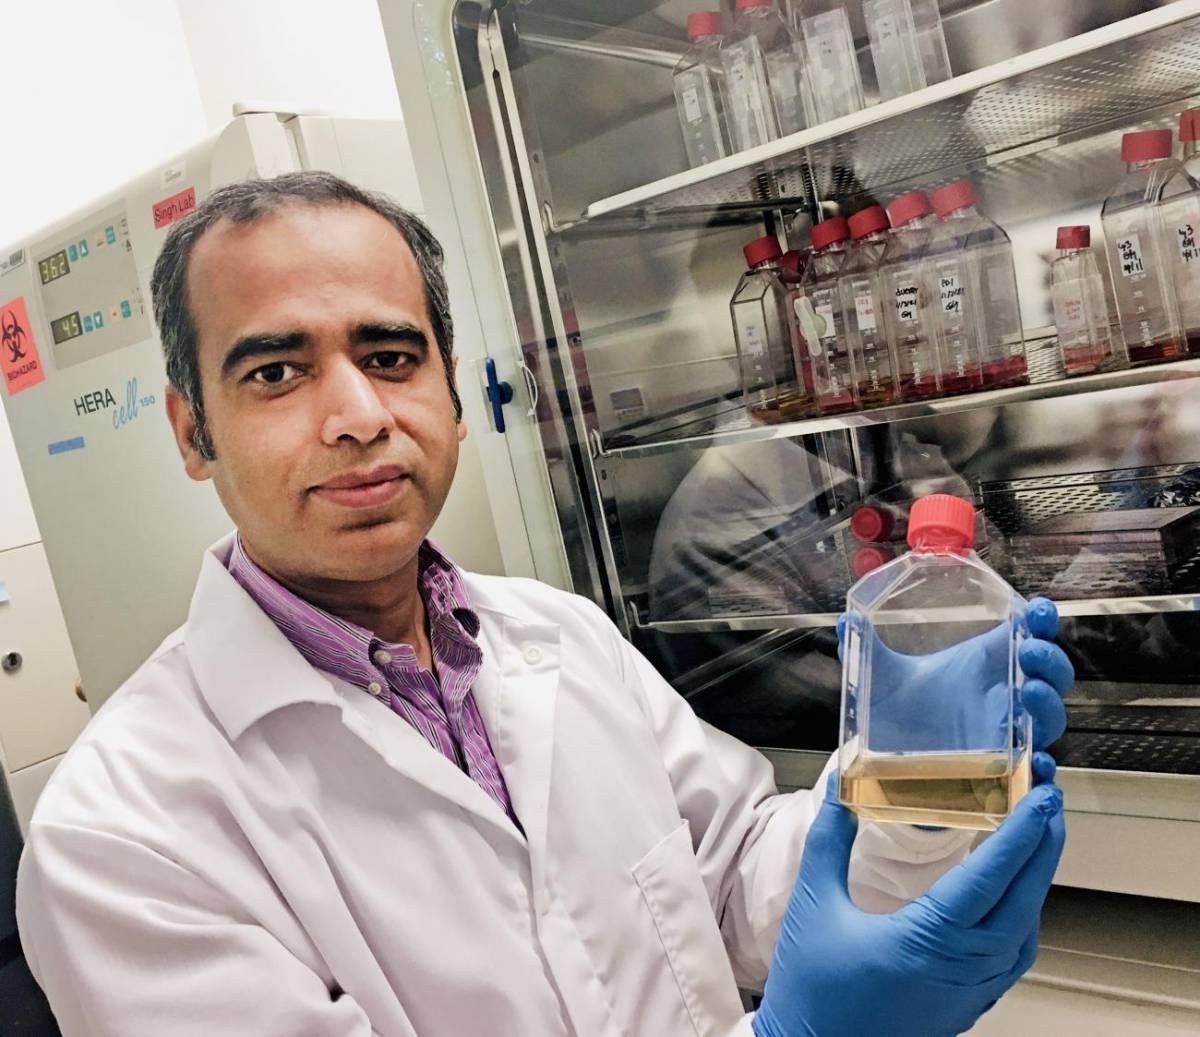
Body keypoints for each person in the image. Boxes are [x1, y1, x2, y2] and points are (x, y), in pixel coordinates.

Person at [16, 173, 1072, 1037]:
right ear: (192, 432)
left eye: (390, 357)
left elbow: (737, 871)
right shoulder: (123, 833)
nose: (356, 415)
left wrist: (909, 773)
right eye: (278, 372)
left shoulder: (553, 632)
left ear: (455, 396)